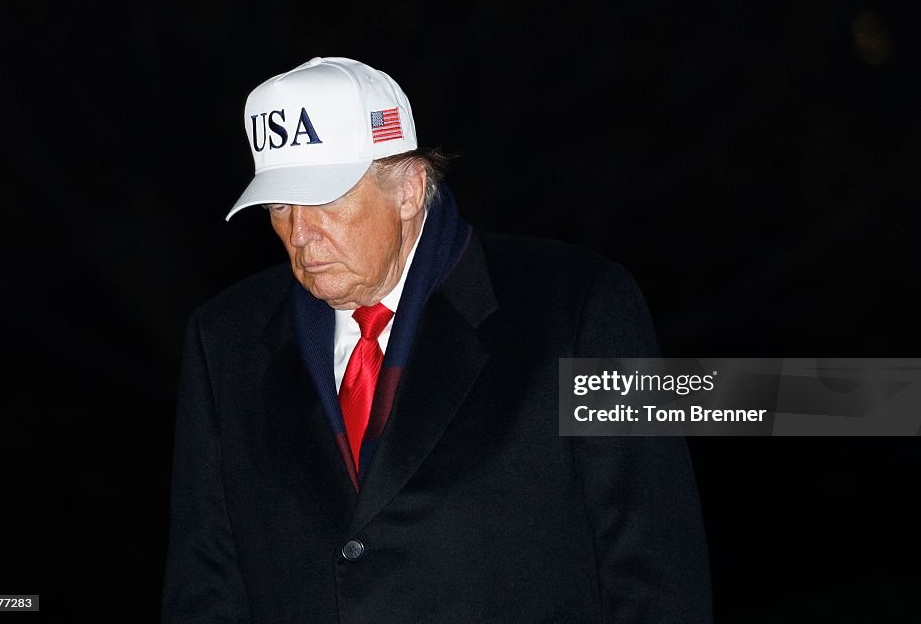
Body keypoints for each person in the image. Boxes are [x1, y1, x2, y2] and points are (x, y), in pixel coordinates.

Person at [162, 56, 713, 622]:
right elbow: (205, 583)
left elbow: (658, 570)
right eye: (280, 204)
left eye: (326, 198)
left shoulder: (583, 304)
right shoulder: (222, 339)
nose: (300, 234)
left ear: (408, 187)